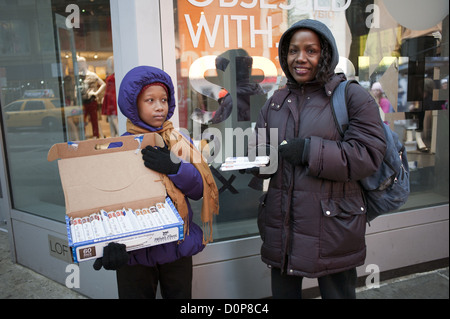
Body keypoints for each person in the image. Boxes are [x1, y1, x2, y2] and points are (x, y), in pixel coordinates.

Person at [251, 19, 386, 299]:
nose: (300, 58)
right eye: (293, 50)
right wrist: (255, 162)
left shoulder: (351, 96)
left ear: (325, 54)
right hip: (283, 226)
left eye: (310, 51)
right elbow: (262, 153)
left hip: (334, 227)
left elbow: (368, 155)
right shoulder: (274, 102)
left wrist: (308, 151)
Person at [93, 66, 219, 299]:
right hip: (134, 252)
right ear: (133, 104)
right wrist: (108, 243)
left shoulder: (179, 141)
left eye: (164, 99)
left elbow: (199, 189)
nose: (160, 106)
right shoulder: (119, 148)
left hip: (176, 247)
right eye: (150, 100)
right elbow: (107, 200)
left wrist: (175, 168)